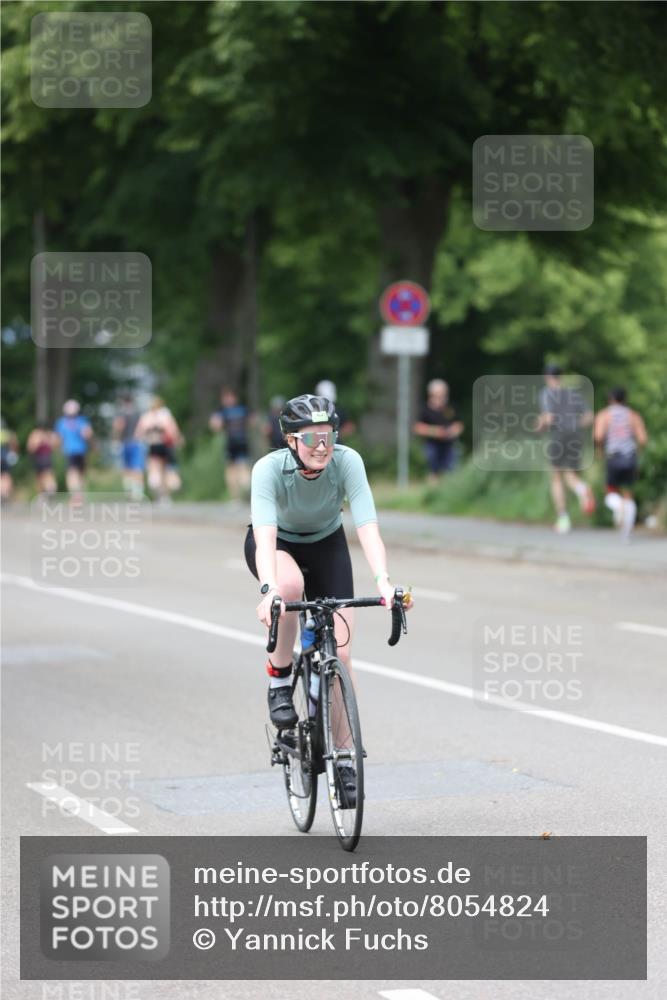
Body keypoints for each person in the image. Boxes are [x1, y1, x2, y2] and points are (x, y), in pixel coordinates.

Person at [245, 393, 412, 802]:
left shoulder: (347, 461)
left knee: (342, 650)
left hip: (326, 545)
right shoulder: (268, 470)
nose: (322, 446)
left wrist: (384, 581)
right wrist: (267, 591)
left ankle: (344, 755)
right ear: (290, 441)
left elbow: (367, 525)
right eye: (312, 438)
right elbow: (265, 537)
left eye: (328, 436)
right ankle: (280, 678)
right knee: (289, 589)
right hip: (277, 544)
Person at [536, 364, 595, 533]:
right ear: (560, 376)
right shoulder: (572, 394)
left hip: (558, 436)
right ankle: (583, 489)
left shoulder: (547, 393)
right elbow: (589, 417)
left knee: (556, 477)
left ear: (547, 377)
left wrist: (538, 426)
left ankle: (563, 519)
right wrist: (576, 426)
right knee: (570, 474)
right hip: (575, 436)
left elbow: (548, 418)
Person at [594, 387, 648, 539]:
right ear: (625, 399)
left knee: (611, 493)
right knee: (628, 493)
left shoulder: (604, 415)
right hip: (630, 457)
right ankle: (626, 533)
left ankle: (619, 508)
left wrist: (599, 450)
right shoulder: (633, 415)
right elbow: (643, 439)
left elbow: (598, 436)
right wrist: (636, 451)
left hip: (613, 457)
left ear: (610, 399)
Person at [413, 379, 464, 484]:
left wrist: (453, 431)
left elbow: (459, 424)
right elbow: (418, 427)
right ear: (432, 394)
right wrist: (436, 432)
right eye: (440, 394)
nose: (443, 397)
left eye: (444, 394)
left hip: (449, 444)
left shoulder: (450, 407)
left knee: (451, 470)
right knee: (433, 471)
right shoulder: (425, 409)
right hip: (432, 445)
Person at [135, 397, 184, 505]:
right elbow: (172, 429)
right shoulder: (165, 414)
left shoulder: (146, 416)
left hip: (153, 445)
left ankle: (159, 495)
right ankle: (165, 495)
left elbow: (139, 433)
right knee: (164, 470)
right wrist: (178, 439)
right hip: (164, 445)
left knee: (155, 469)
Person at [209, 388, 252, 500]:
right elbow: (252, 421)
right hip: (233, 443)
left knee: (239, 468)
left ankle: (242, 491)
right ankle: (237, 495)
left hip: (239, 442)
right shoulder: (241, 409)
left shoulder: (226, 411)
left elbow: (215, 426)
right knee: (232, 470)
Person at [54, 400, 93, 502]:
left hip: (70, 451)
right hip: (82, 450)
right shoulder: (82, 421)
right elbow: (88, 434)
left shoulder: (61, 422)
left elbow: (58, 438)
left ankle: (75, 495)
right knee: (81, 473)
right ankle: (81, 495)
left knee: (72, 473)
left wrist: (57, 449)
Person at [113, 394, 145, 500]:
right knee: (137, 468)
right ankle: (138, 492)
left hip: (126, 442)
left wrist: (116, 441)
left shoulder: (121, 413)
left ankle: (129, 491)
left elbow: (118, 427)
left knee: (127, 468)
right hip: (136, 443)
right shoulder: (138, 413)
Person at [26, 423, 58, 495]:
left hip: (42, 457)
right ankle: (50, 490)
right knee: (45, 475)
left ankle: (48, 490)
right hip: (45, 457)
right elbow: (54, 446)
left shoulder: (35, 434)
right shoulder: (48, 434)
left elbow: (30, 448)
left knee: (42, 476)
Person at [0, 418, 19, 502]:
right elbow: (14, 444)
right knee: (6, 476)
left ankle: (2, 493)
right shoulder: (7, 434)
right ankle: (4, 493)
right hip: (5, 458)